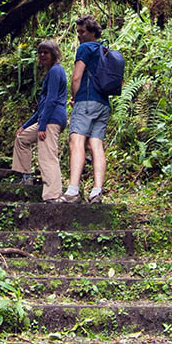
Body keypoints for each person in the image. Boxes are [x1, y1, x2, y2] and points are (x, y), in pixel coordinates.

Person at [59, 15, 110, 203]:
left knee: (76, 141)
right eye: (78, 31)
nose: (79, 35)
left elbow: (76, 77)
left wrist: (75, 97)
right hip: (103, 105)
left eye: (82, 31)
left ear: (92, 32)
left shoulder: (85, 48)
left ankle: (73, 190)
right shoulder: (105, 50)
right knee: (96, 145)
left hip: (86, 101)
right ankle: (97, 191)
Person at [9, 40, 67, 202]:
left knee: (47, 156)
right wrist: (25, 126)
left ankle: (53, 195)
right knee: (22, 138)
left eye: (46, 52)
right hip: (45, 118)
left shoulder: (56, 71)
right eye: (40, 52)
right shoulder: (51, 72)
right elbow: (41, 108)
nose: (42, 55)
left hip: (52, 119)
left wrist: (42, 125)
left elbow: (52, 100)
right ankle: (26, 175)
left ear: (53, 54)